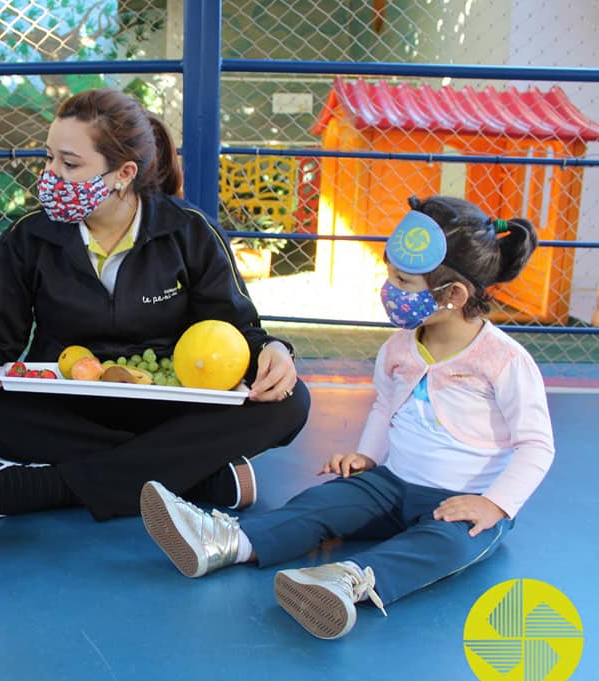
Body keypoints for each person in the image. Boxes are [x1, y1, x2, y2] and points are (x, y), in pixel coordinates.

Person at [139, 195, 555, 639]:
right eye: (389, 274)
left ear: (453, 294)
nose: (389, 288)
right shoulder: (399, 346)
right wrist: (367, 457)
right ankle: (228, 541)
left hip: (463, 499)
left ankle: (346, 582)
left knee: (444, 545)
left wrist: (494, 504)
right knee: (325, 501)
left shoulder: (504, 361)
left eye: (403, 280)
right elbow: (384, 405)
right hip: (392, 482)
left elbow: (536, 445)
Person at [0, 88, 310, 522]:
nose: (51, 175)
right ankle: (193, 478)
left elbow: (235, 331)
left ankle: (49, 487)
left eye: (70, 163)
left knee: (291, 402)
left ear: (123, 173)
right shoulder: (28, 237)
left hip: (169, 408)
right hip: (67, 406)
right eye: (48, 158)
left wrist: (274, 353)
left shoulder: (189, 232)